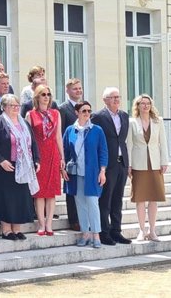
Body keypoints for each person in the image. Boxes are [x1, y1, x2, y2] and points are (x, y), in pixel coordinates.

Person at [0, 94, 39, 240]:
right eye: (12, 105)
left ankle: (17, 229)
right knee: (7, 199)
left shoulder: (23, 123)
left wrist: (36, 160)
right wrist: (1, 160)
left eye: (17, 105)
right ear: (3, 107)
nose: (15, 108)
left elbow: (32, 142)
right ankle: (6, 230)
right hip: (4, 168)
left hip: (23, 167)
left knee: (20, 199)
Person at [62, 101, 108, 248]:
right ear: (77, 112)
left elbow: (103, 152)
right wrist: (63, 169)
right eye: (84, 111)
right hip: (75, 174)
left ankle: (96, 234)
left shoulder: (97, 130)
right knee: (80, 204)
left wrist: (102, 171)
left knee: (93, 204)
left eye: (89, 111)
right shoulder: (70, 130)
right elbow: (63, 151)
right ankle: (85, 233)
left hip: (92, 173)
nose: (87, 114)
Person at [92, 87, 131, 246]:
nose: (116, 100)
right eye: (112, 97)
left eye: (118, 97)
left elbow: (122, 139)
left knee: (118, 200)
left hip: (122, 163)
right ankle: (104, 232)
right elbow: (96, 142)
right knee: (105, 200)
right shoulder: (98, 117)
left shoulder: (124, 116)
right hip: (107, 164)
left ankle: (117, 231)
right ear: (105, 100)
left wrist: (128, 164)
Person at [127, 94, 168, 242]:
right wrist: (129, 165)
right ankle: (141, 230)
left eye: (148, 103)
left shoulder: (158, 122)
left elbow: (163, 143)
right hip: (139, 165)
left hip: (155, 164)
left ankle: (152, 230)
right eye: (142, 103)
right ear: (137, 106)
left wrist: (165, 162)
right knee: (140, 199)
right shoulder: (132, 122)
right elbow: (129, 145)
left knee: (154, 198)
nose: (145, 106)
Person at [25, 85, 64, 236]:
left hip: (53, 153)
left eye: (48, 94)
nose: (46, 97)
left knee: (52, 192)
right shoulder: (30, 114)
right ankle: (41, 224)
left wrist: (62, 157)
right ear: (37, 97)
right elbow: (28, 139)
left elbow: (58, 136)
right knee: (39, 192)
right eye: (43, 94)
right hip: (39, 155)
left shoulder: (56, 113)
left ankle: (49, 224)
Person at [58, 78, 84, 231]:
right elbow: (61, 134)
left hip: (85, 155)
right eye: (75, 89)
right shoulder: (63, 108)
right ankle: (74, 220)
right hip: (70, 155)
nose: (78, 91)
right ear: (67, 90)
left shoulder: (85, 107)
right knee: (72, 188)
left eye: (80, 88)